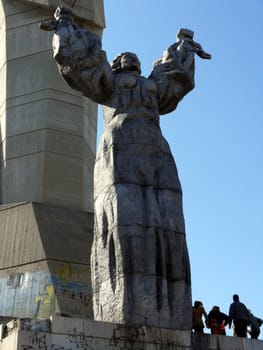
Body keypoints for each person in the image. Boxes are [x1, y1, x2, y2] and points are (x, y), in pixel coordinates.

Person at [41, 6, 210, 329]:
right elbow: (81, 63)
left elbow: (173, 73)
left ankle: (167, 308)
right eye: (122, 58)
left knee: (166, 218)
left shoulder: (151, 88)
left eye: (132, 58)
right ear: (115, 66)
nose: (128, 59)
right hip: (119, 153)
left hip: (158, 155)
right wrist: (67, 26)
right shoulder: (107, 84)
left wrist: (184, 45)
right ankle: (128, 305)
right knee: (125, 220)